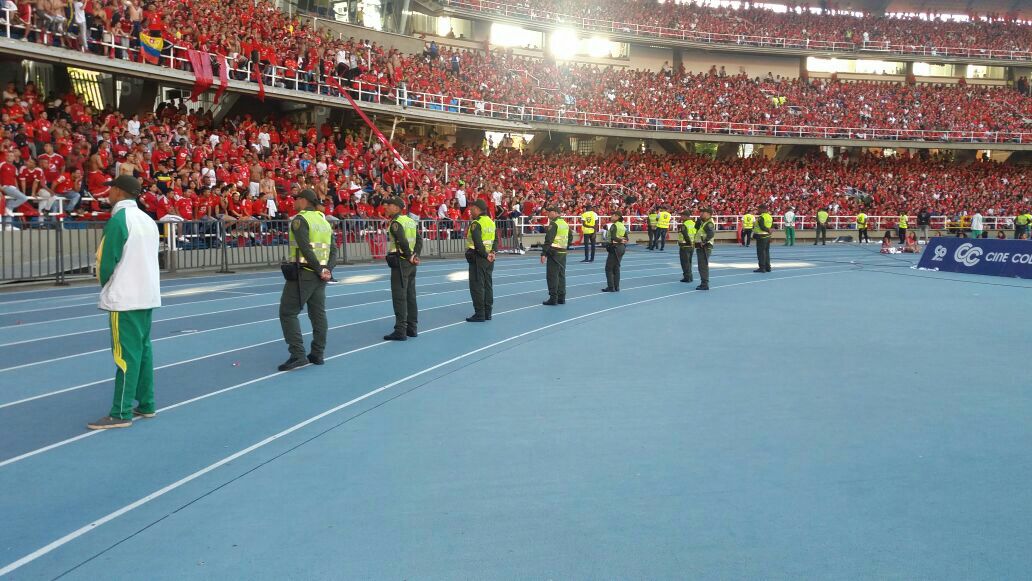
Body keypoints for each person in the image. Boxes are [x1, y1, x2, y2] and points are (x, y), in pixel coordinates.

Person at [87, 176, 161, 430]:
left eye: (111, 189)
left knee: (124, 356)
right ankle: (147, 403)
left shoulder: (119, 220)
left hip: (125, 297)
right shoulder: (148, 220)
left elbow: (106, 261)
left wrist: (106, 286)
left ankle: (121, 411)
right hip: (147, 295)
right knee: (143, 352)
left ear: (119, 191)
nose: (108, 194)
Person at [277, 188, 336, 371]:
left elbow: (305, 248)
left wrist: (319, 269)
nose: (294, 202)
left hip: (304, 273)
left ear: (303, 201)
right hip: (320, 275)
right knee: (318, 314)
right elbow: (333, 250)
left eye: (296, 199)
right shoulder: (324, 221)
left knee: (287, 312)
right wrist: (327, 270)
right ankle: (317, 353)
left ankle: (297, 354)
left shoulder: (300, 220)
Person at [383, 196, 422, 340]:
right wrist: (415, 255)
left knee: (399, 296)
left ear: (397, 208)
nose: (386, 207)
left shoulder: (396, 222)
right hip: (411, 263)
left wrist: (409, 255)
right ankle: (412, 327)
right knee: (411, 295)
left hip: (401, 262)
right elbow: (418, 240)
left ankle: (400, 330)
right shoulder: (410, 221)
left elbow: (402, 240)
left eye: (389, 205)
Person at [465, 199, 496, 322]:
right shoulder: (491, 222)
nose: (470, 210)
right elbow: (496, 239)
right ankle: (488, 312)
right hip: (489, 258)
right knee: (488, 285)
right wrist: (492, 252)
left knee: (477, 286)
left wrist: (485, 254)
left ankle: (480, 313)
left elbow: (477, 243)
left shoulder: (476, 223)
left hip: (479, 258)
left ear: (477, 209)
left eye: (472, 208)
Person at [540, 206, 572, 305]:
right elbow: (570, 237)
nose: (548, 214)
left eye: (549, 212)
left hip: (554, 253)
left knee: (552, 275)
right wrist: (565, 246)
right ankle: (561, 297)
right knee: (561, 275)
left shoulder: (554, 224)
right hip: (563, 252)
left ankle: (553, 298)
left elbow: (548, 239)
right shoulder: (565, 224)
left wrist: (544, 253)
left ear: (554, 212)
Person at [602, 211, 628, 292]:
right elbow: (627, 238)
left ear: (617, 216)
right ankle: (616, 286)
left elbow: (613, 237)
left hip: (614, 248)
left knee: (608, 268)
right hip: (622, 248)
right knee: (616, 268)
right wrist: (622, 241)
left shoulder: (614, 225)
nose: (611, 217)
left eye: (612, 216)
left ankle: (611, 287)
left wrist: (618, 241)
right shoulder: (623, 226)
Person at [694, 207, 716, 290]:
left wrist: (704, 241)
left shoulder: (709, 223)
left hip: (705, 247)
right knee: (701, 265)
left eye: (703, 212)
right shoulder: (704, 222)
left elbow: (711, 234)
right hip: (701, 246)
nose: (701, 213)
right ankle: (704, 282)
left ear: (709, 214)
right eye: (701, 212)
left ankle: (704, 284)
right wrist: (699, 220)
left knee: (703, 266)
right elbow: (696, 228)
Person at [753, 205, 773, 273]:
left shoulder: (761, 217)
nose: (758, 211)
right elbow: (771, 227)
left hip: (761, 236)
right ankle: (768, 267)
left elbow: (762, 227)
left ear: (762, 209)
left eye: (758, 209)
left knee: (761, 253)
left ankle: (762, 267)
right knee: (766, 252)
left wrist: (768, 230)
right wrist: (770, 234)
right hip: (767, 237)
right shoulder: (770, 217)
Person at [677, 211, 696, 283]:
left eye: (681, 216)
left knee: (685, 262)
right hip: (692, 245)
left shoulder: (684, 225)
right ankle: (690, 276)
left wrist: (688, 242)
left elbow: (685, 235)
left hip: (685, 245)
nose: (681, 217)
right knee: (689, 262)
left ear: (685, 216)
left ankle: (687, 277)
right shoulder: (694, 223)